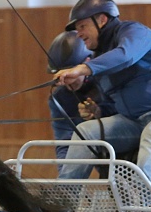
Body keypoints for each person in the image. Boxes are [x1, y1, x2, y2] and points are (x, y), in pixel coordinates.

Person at [52, 0, 151, 187]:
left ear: (102, 20)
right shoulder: (100, 56)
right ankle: (63, 201)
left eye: (82, 26)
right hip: (135, 120)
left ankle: (142, 205)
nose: (78, 34)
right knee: (84, 131)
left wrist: (82, 68)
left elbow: (125, 56)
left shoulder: (135, 32)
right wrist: (99, 111)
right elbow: (113, 100)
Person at [46, 31, 116, 160]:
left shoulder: (109, 81)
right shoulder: (59, 98)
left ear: (87, 63)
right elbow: (64, 143)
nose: (67, 81)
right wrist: (66, 179)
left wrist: (100, 112)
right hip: (99, 156)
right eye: (61, 77)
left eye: (70, 75)